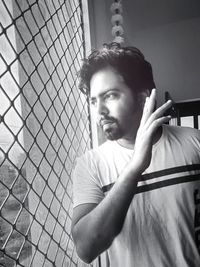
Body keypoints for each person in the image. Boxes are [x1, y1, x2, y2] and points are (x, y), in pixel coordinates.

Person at [71, 44, 200, 267]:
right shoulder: (90, 165)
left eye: (110, 96)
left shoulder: (195, 142)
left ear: (142, 97)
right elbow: (86, 248)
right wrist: (133, 169)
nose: (99, 111)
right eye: (93, 101)